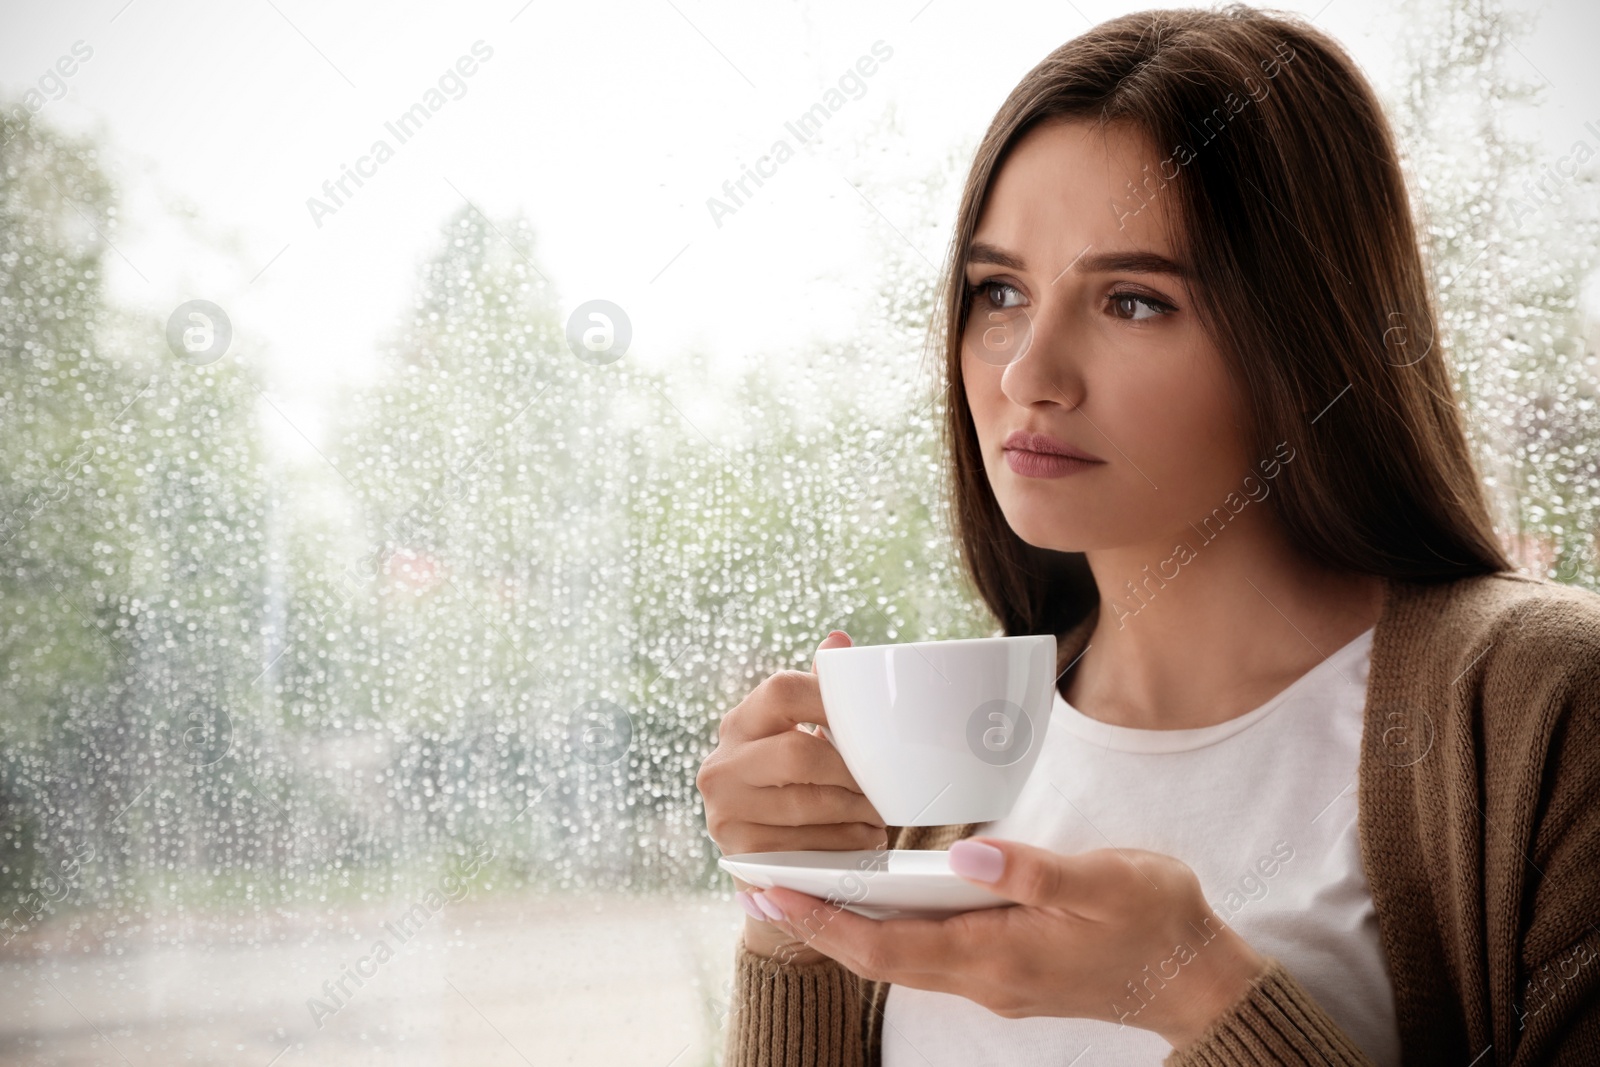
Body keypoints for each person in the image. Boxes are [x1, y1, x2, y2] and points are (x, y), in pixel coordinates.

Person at [695, 5, 1600, 1064]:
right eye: (999, 292)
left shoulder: (1543, 707)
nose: (1027, 374)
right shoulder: (936, 763)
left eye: (1129, 301)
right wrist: (798, 911)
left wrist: (1204, 996)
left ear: (1305, 335)